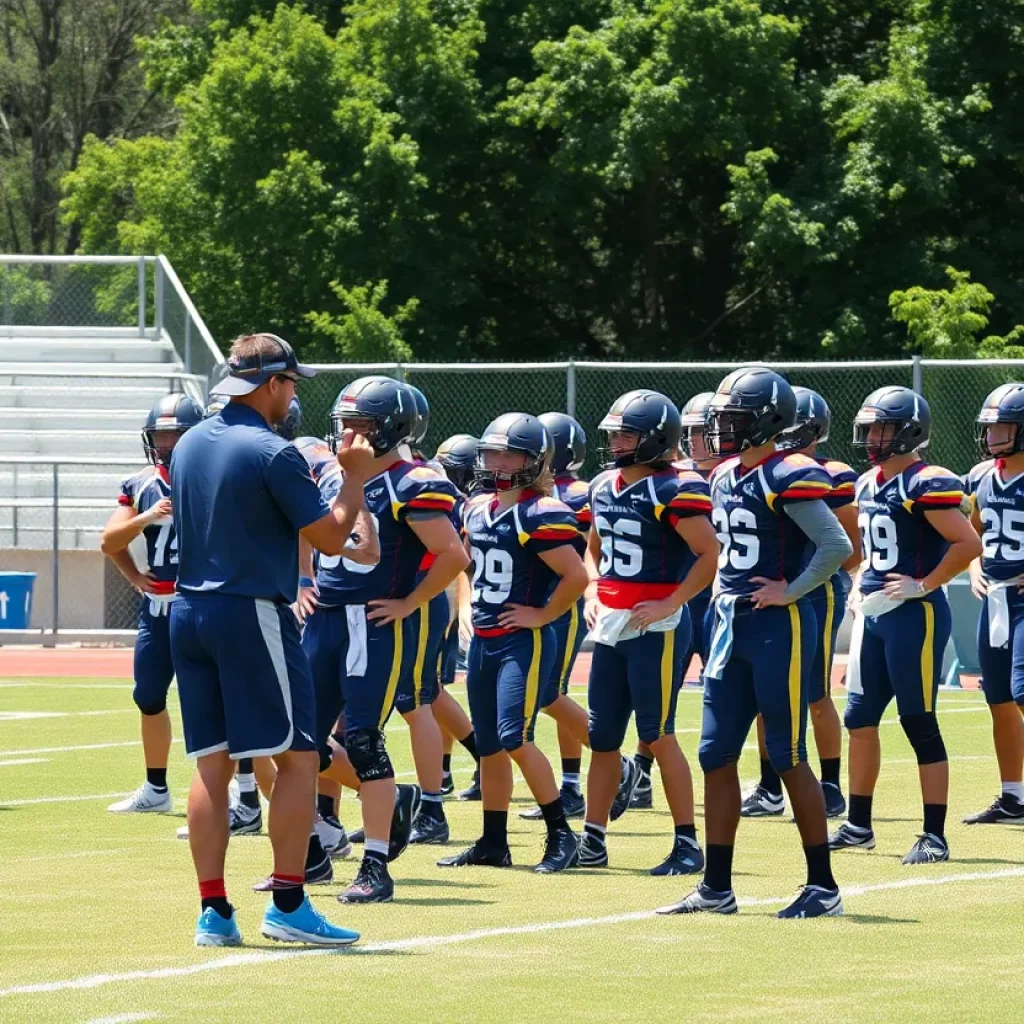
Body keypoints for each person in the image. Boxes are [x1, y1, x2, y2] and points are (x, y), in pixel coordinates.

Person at [169, 332, 374, 947]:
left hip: (188, 611)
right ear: (272, 384)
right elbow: (332, 538)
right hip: (249, 611)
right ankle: (288, 902)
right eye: (289, 383)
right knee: (299, 758)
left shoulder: (189, 442)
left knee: (212, 766)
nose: (292, 396)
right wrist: (354, 479)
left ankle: (214, 913)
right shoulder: (273, 451)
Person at [659, 367, 852, 918]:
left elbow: (836, 545)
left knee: (786, 754)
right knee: (714, 753)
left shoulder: (788, 472)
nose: (722, 428)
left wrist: (791, 589)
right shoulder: (723, 475)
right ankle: (716, 888)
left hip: (777, 627)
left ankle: (823, 887)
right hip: (731, 623)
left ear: (766, 421)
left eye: (734, 418)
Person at [304, 376, 468, 902]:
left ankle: (375, 866)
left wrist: (411, 602)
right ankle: (309, 854)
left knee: (363, 739)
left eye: (362, 425)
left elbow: (453, 555)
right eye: (345, 423)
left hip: (372, 623)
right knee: (297, 739)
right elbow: (308, 532)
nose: (349, 434)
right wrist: (304, 581)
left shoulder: (413, 481)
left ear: (392, 429)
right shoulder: (333, 474)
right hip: (325, 617)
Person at [830, 387, 980, 864]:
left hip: (915, 614)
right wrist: (859, 582)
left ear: (909, 432)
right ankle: (858, 824)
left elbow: (968, 544)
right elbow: (866, 549)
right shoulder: (867, 482)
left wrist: (925, 583)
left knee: (918, 720)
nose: (873, 437)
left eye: (883, 429)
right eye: (871, 428)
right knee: (859, 719)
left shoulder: (924, 482)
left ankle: (934, 835)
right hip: (875, 613)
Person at [439, 414, 588, 872]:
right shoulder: (476, 508)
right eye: (492, 453)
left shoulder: (540, 512)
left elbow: (576, 576)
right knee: (488, 745)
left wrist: (543, 614)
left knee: (515, 738)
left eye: (510, 455)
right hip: (484, 639)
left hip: (522, 641)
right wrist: (467, 606)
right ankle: (493, 841)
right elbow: (467, 565)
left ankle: (561, 835)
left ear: (533, 461)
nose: (497, 463)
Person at [578, 390, 718, 875]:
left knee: (657, 733)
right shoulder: (602, 486)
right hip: (612, 622)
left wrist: (672, 601)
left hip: (657, 625)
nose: (617, 442)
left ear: (656, 439)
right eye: (615, 434)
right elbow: (593, 547)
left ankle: (687, 842)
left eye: (627, 435)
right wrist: (593, 589)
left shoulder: (675, 488)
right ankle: (593, 838)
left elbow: (709, 553)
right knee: (602, 736)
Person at [741, 387, 861, 820]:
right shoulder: (759, 470)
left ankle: (829, 786)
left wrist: (804, 582)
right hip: (768, 591)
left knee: (815, 692)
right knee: (763, 692)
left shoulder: (830, 474)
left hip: (817, 591)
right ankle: (770, 786)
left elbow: (850, 549)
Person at [103, 393, 203, 815]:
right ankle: (156, 788)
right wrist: (134, 570)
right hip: (158, 607)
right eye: (160, 435)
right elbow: (110, 542)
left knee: (208, 700)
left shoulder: (211, 478)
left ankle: (239, 790)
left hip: (198, 604)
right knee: (148, 695)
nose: (165, 444)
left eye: (174, 435)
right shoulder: (142, 483)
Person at [630, 391, 720, 811]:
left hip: (723, 598)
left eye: (705, 431)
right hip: (681, 598)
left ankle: (770, 781)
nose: (698, 440)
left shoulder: (744, 474)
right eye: (692, 431)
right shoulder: (673, 480)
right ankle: (640, 774)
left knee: (733, 695)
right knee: (655, 700)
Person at [517, 411, 592, 820]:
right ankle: (572, 785)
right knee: (544, 694)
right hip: (534, 602)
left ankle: (607, 767)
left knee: (549, 693)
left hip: (557, 602)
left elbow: (586, 549)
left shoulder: (575, 494)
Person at [962, 383, 1024, 824]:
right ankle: (1013, 797)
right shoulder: (981, 475)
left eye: (1003, 427)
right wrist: (973, 567)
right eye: (990, 427)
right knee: (998, 698)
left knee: (1022, 692)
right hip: (996, 598)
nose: (992, 435)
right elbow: (973, 531)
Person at [430, 433, 484, 799]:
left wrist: (460, 606)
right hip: (443, 592)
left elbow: (460, 560)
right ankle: (443, 769)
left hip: (441, 594)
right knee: (432, 688)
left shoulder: (462, 506)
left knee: (425, 690)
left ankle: (481, 754)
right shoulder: (458, 501)